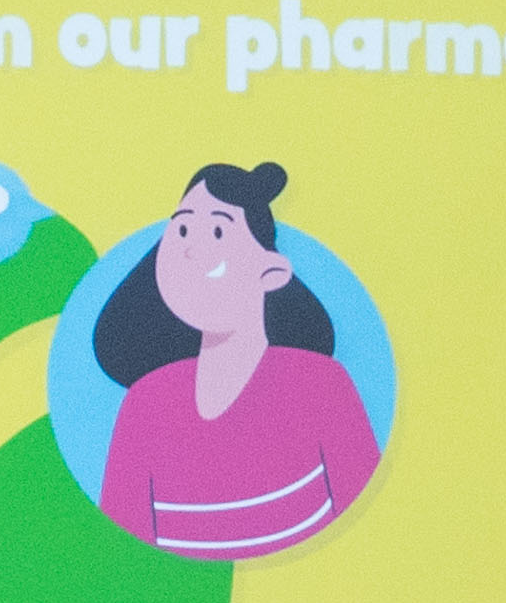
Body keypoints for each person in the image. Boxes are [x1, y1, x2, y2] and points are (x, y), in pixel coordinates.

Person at [92, 161, 386, 558]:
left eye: (216, 231)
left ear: (272, 272)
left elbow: (372, 526)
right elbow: (123, 552)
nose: (190, 249)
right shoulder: (144, 407)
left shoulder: (323, 388)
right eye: (180, 230)